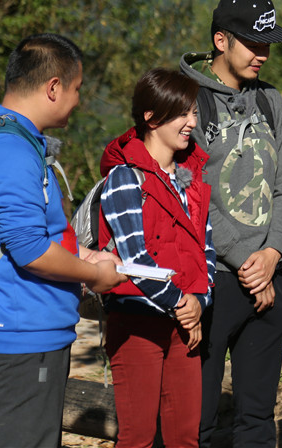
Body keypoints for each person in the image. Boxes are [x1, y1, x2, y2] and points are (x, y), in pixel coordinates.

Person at [0, 33, 127, 448]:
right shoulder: (11, 151)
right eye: (77, 88)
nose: (78, 100)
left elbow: (23, 234)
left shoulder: (0, 140)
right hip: (20, 335)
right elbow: (29, 249)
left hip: (23, 331)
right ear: (53, 87)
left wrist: (83, 254)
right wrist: (94, 275)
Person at [179, 0, 282, 447]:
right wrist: (251, 262)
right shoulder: (188, 101)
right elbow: (189, 192)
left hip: (269, 277)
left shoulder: (270, 101)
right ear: (221, 40)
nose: (262, 55)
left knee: (257, 420)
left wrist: (272, 254)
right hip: (210, 279)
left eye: (267, 44)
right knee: (199, 420)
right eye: (253, 43)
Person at [96, 68, 216, 448]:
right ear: (151, 117)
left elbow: (205, 249)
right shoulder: (124, 178)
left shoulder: (190, 178)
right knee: (138, 439)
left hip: (184, 322)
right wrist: (182, 302)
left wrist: (200, 301)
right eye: (181, 113)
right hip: (136, 321)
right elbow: (134, 257)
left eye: (193, 112)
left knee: (185, 437)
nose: (191, 122)